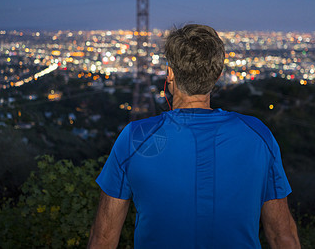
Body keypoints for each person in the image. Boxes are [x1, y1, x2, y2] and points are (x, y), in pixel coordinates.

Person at [88, 24, 300, 248]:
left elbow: (103, 239)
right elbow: (281, 236)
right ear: (217, 76)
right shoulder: (258, 137)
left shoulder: (135, 138)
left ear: (170, 74)